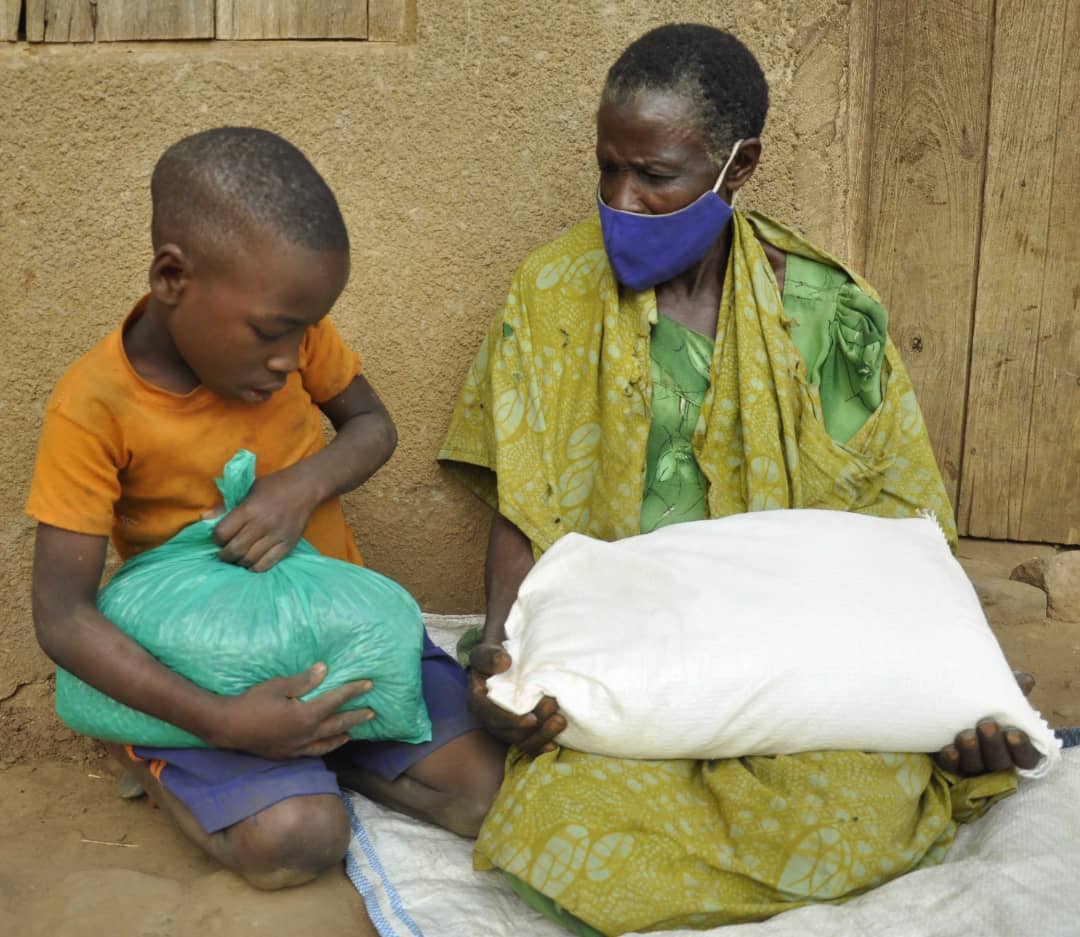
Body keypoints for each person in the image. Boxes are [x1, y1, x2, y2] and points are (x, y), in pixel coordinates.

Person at [439, 25, 1044, 936]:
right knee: (567, 815)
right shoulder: (554, 292)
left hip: (791, 654)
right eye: (607, 169)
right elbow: (524, 505)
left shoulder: (827, 315)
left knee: (855, 806)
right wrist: (500, 656)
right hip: (633, 648)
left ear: (740, 165)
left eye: (656, 175)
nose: (623, 199)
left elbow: (898, 533)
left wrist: (958, 689)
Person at [27, 128, 505, 891]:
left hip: (340, 634)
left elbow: (373, 425)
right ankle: (164, 756)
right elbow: (62, 616)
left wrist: (299, 485)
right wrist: (222, 721)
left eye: (306, 330)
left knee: (489, 794)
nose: (290, 357)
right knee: (297, 841)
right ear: (172, 276)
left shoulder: (296, 336)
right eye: (272, 332)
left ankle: (322, 747)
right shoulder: (94, 406)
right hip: (209, 674)